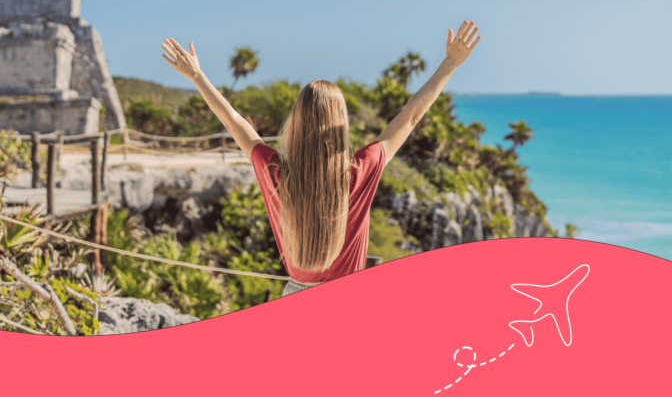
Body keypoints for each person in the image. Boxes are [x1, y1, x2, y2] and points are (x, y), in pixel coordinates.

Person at [161, 20, 481, 296]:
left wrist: (197, 76)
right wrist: (450, 64)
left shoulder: (275, 171)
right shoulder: (361, 169)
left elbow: (233, 121)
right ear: (341, 125)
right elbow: (410, 117)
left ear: (297, 122)